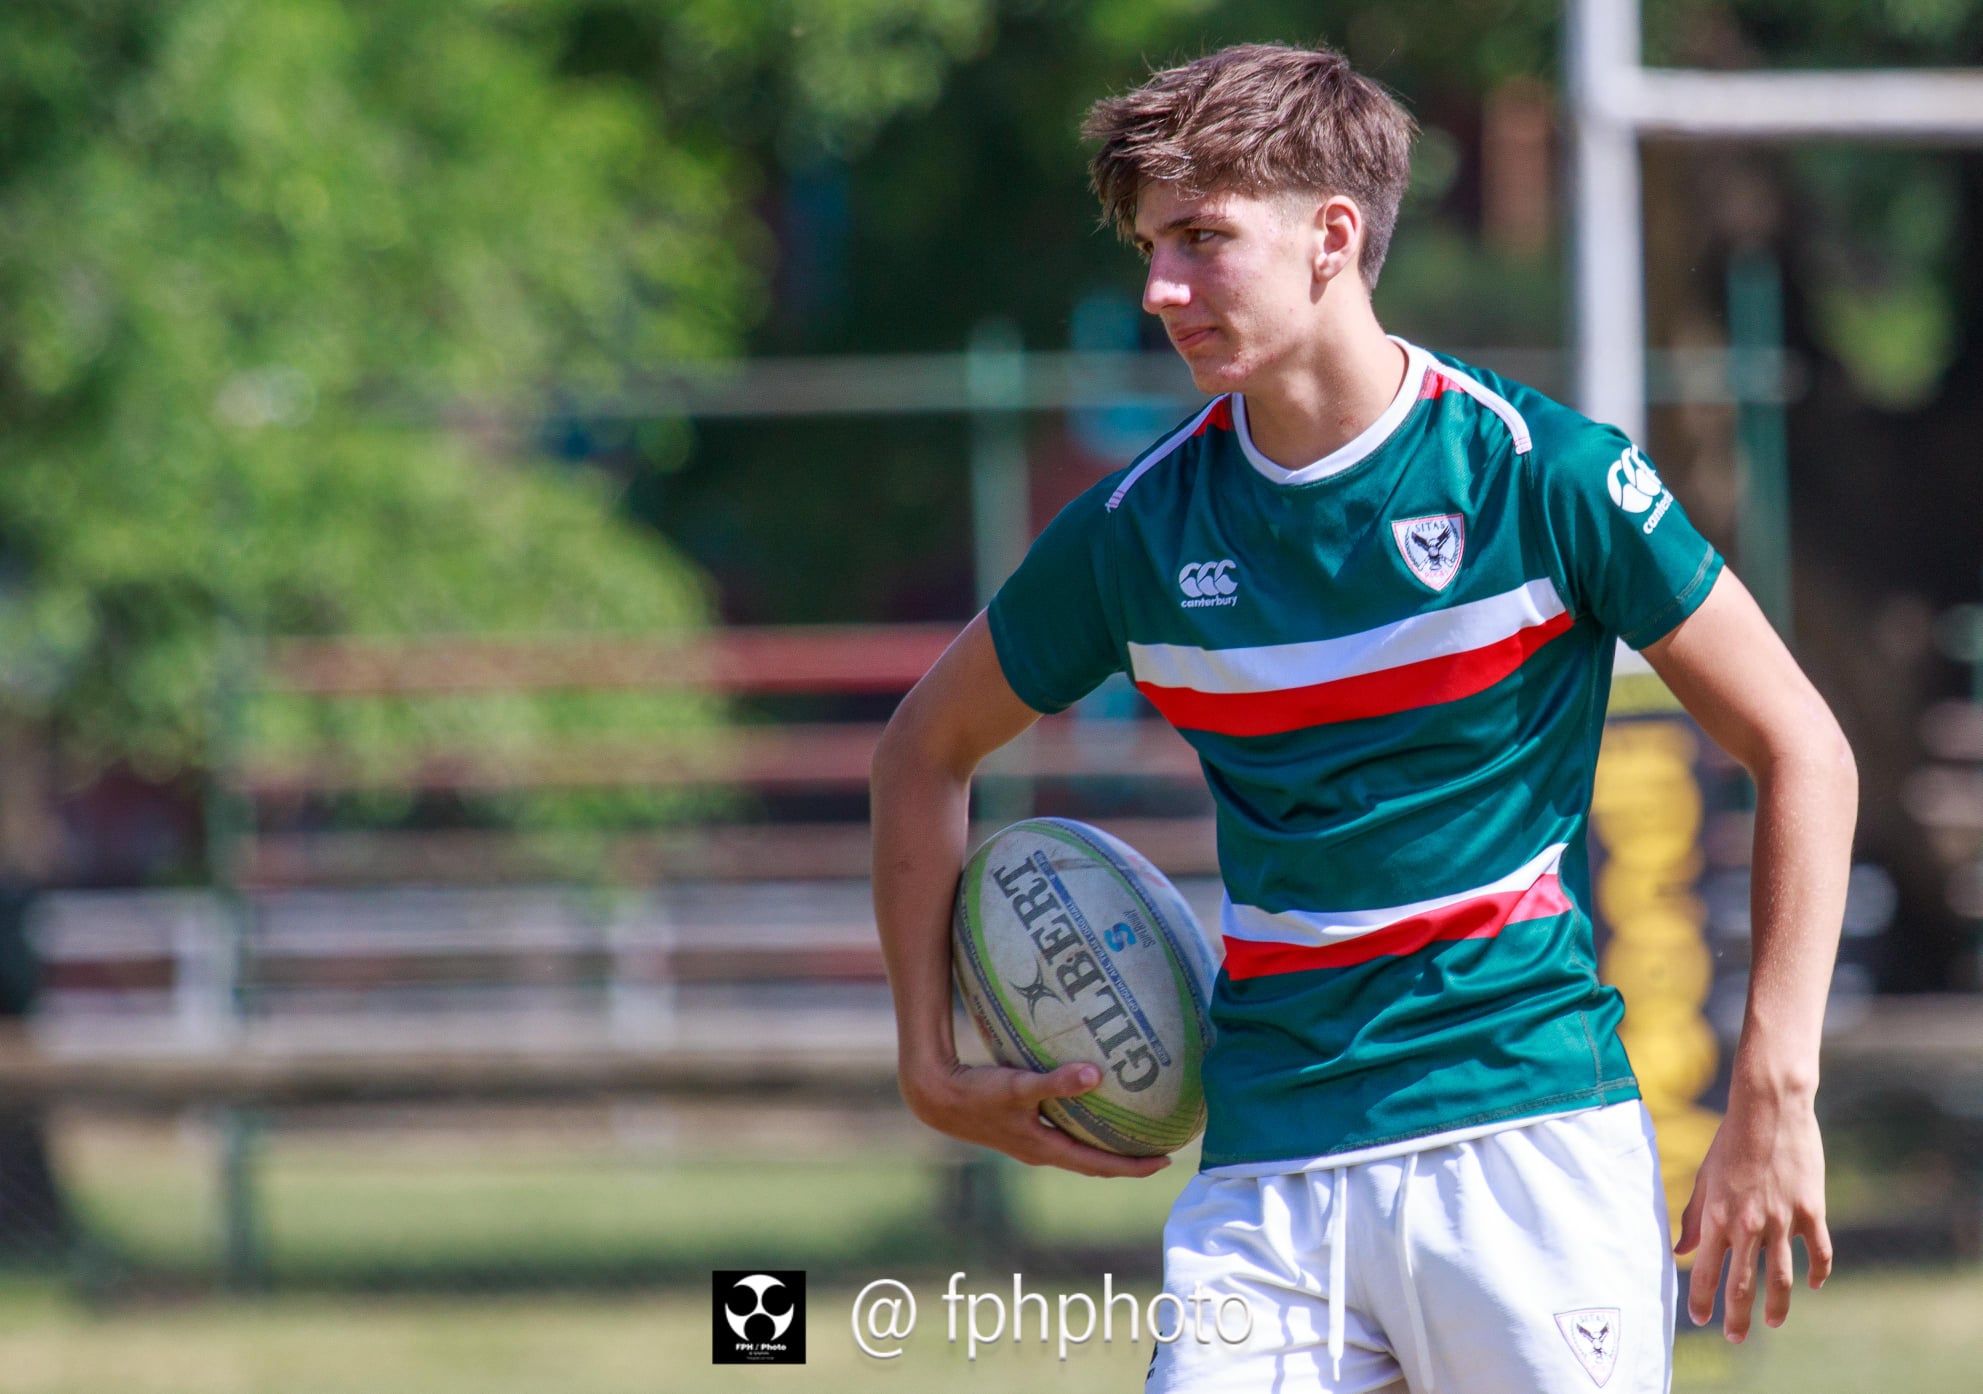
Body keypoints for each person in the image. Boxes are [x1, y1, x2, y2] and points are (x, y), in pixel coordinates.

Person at [869, 42, 1855, 1394]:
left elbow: (1804, 746)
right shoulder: (1134, 534)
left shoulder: (1545, 476)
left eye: (1204, 241)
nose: (1161, 289)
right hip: (1269, 1163)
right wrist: (928, 1057)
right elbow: (923, 751)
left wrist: (1773, 1092)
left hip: (1526, 1143)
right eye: (1153, 247)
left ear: (1334, 236)